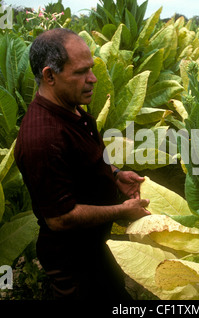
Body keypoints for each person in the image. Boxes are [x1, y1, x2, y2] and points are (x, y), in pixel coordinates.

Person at [14, 28, 150, 300]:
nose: (93, 79)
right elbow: (60, 218)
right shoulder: (42, 137)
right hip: (73, 262)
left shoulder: (71, 107)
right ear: (49, 75)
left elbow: (82, 159)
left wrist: (115, 174)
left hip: (96, 245)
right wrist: (122, 210)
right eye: (80, 72)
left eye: (91, 68)